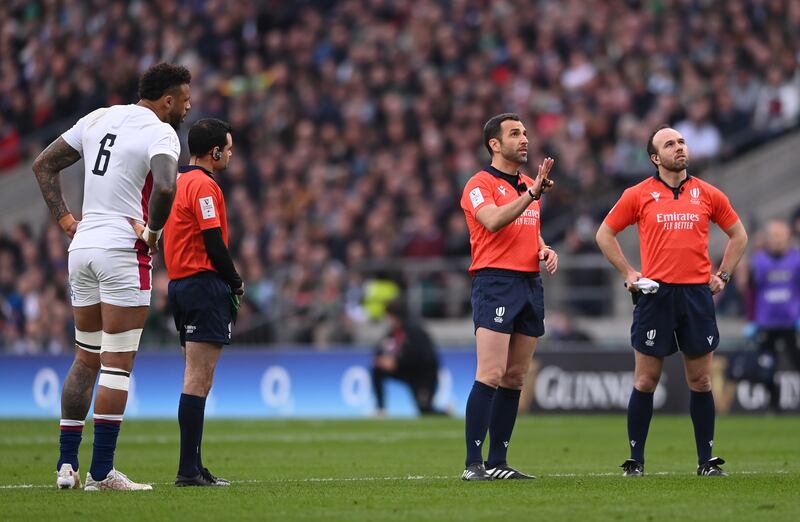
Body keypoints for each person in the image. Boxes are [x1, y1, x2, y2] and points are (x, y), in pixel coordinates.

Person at [32, 62, 191, 490]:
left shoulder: (98, 117)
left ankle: (66, 465)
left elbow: (43, 165)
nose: (189, 106)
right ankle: (101, 472)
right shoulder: (162, 132)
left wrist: (67, 221)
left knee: (85, 357)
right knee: (117, 365)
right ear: (167, 100)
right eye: (185, 99)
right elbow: (164, 187)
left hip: (82, 247)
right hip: (124, 247)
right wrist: (153, 234)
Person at [595, 125, 748, 477]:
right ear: (655, 157)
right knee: (646, 381)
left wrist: (723, 275)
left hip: (696, 295)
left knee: (702, 382)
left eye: (681, 141)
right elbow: (605, 233)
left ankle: (706, 461)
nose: (679, 147)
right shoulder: (639, 194)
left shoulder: (707, 193)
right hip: (656, 295)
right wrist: (629, 272)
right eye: (670, 144)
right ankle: (635, 460)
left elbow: (738, 234)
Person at [458, 113, 557, 481]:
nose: (524, 139)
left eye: (526, 133)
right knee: (491, 373)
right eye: (515, 133)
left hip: (529, 282)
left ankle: (498, 462)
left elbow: (528, 232)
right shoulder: (479, 184)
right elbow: (494, 221)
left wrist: (545, 248)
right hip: (495, 281)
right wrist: (531, 194)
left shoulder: (532, 184)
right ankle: (473, 464)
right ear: (494, 144)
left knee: (515, 377)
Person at [162, 118, 242, 487]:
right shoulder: (204, 187)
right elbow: (214, 243)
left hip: (180, 285)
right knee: (198, 380)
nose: (230, 153)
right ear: (214, 152)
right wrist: (235, 281)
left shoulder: (177, 182)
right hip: (202, 284)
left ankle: (192, 466)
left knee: (196, 379)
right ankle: (188, 470)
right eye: (227, 147)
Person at [746, 219, 800, 410]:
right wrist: (751, 320)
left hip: (790, 322)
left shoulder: (797, 259)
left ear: (788, 237)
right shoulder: (759, 261)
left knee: (796, 361)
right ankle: (773, 404)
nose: (776, 240)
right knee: (767, 368)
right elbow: (751, 292)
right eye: (773, 236)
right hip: (766, 323)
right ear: (767, 239)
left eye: (780, 235)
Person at [371, 298, 442, 416]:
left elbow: (421, 356)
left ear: (394, 316)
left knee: (425, 410)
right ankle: (380, 409)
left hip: (422, 375)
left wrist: (396, 362)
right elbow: (380, 348)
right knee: (378, 370)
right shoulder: (392, 332)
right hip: (406, 372)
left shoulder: (414, 331)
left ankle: (446, 413)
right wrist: (382, 359)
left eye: (388, 316)